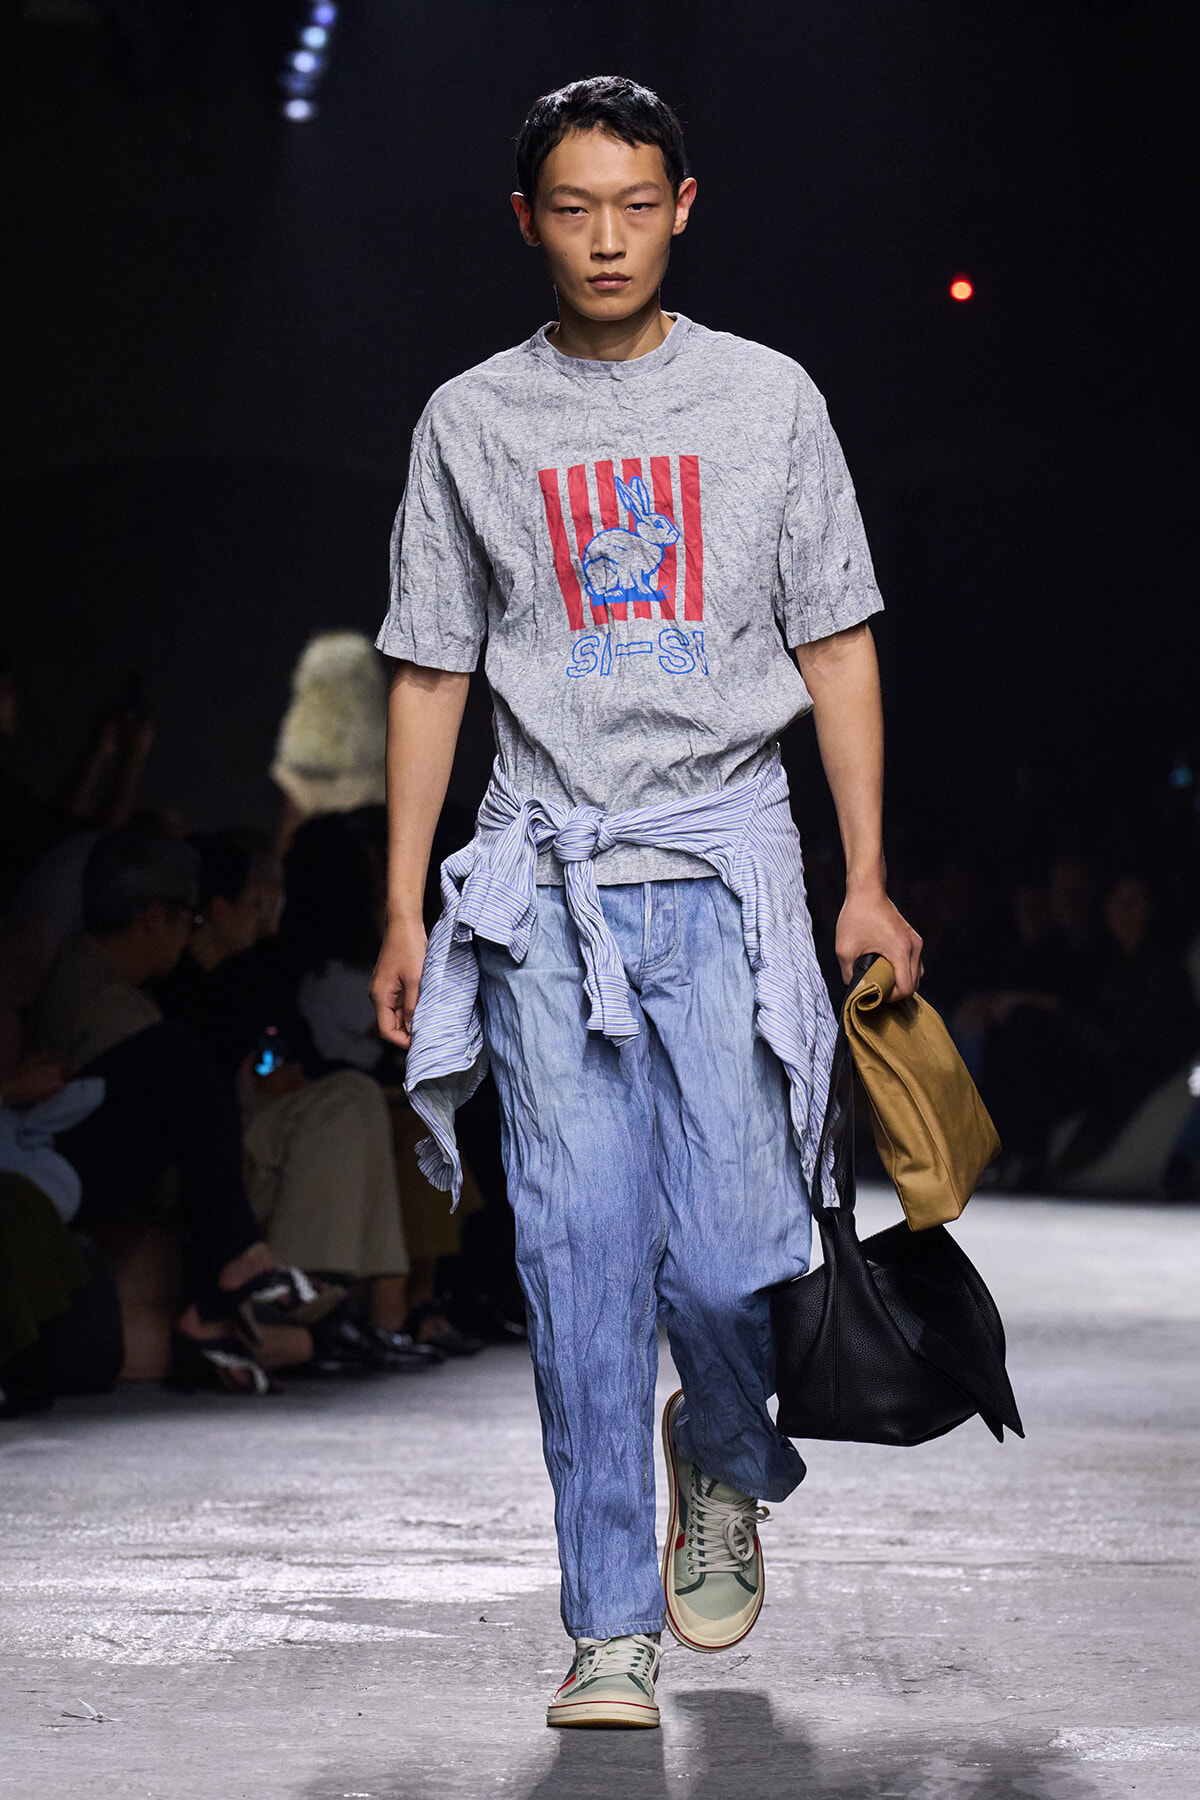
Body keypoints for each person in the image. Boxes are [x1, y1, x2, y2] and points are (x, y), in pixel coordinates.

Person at [369, 78, 921, 1730]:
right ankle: (608, 1623)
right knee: (579, 1252)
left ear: (684, 205)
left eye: (632, 202)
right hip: (544, 884)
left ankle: (723, 1454)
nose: (602, 236)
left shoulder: (768, 402)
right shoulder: (471, 420)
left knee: (748, 1253)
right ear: (526, 219)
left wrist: (869, 874)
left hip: (731, 863)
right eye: (570, 205)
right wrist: (406, 908)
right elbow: (428, 671)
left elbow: (836, 645)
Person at [27, 827, 343, 1394]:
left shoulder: (104, 983)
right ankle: (227, 1285)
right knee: (177, 1062)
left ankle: (220, 1296)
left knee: (183, 1069)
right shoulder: (100, 1002)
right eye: (187, 917)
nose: (191, 930)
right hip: (62, 1171)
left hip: (78, 1162)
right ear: (154, 917)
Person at [151, 828, 440, 1373]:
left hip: (260, 1128)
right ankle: (314, 1313)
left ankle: (373, 1316)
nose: (270, 904)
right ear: (219, 906)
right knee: (352, 1104)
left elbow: (297, 1052)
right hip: (228, 1148)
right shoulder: (177, 989)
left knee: (362, 1102)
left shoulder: (258, 971)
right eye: (260, 893)